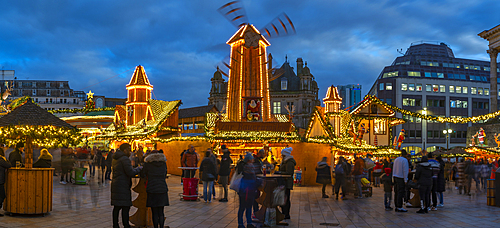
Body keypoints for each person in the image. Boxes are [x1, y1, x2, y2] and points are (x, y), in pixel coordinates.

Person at [111, 143, 142, 228]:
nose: (130, 151)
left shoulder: (115, 158)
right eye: (129, 149)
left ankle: (115, 225)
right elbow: (130, 172)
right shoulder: (124, 159)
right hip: (123, 185)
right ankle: (126, 225)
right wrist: (139, 168)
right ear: (125, 150)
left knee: (117, 207)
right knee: (125, 206)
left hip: (116, 184)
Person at [142, 150, 169, 228]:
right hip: (162, 188)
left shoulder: (148, 164)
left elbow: (143, 174)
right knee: (161, 212)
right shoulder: (163, 163)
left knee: (154, 212)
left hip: (152, 189)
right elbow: (165, 174)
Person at [237, 152, 258, 228]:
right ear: (249, 160)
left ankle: (240, 223)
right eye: (252, 158)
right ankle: (249, 222)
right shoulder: (250, 166)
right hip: (249, 189)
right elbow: (253, 177)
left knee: (242, 207)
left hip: (243, 189)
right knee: (249, 206)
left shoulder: (243, 166)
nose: (253, 159)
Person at [278, 147, 296, 219]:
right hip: (283, 182)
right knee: (283, 198)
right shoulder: (285, 161)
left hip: (286, 183)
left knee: (286, 198)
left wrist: (279, 173)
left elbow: (289, 173)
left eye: (282, 155)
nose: (281, 156)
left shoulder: (289, 162)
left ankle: (286, 214)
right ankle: (284, 213)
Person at [0, 148, 12, 216]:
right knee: (2, 196)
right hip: (0, 181)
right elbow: (9, 165)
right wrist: (5, 159)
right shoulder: (1, 160)